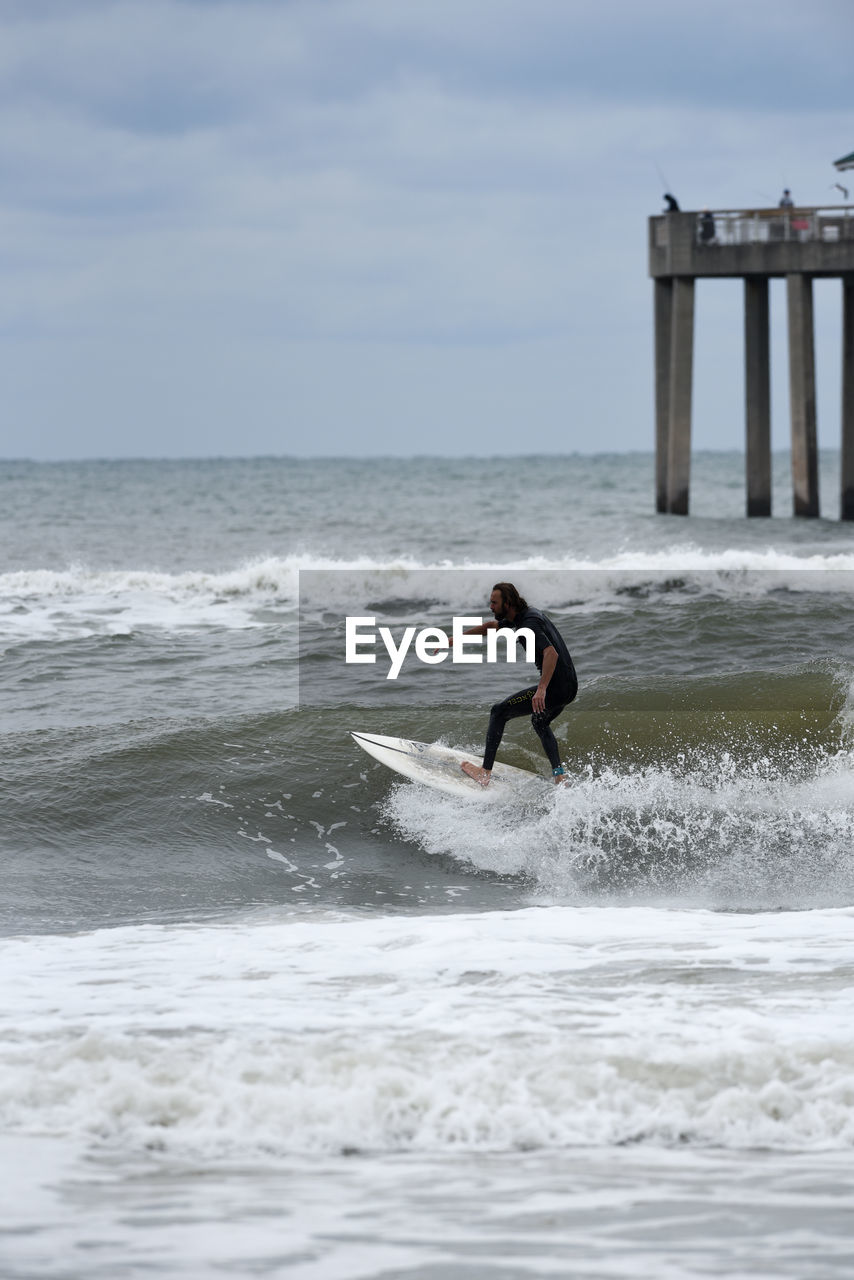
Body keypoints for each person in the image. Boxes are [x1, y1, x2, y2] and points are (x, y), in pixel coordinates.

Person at [451, 582, 578, 787]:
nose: (490, 607)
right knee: (540, 721)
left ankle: (485, 772)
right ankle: (559, 775)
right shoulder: (524, 616)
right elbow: (490, 627)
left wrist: (542, 688)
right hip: (569, 686)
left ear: (507, 603)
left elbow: (551, 653)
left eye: (494, 603)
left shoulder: (528, 625)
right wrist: (456, 639)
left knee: (498, 712)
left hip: (556, 688)